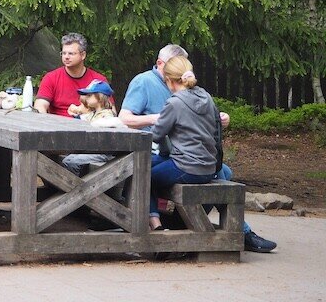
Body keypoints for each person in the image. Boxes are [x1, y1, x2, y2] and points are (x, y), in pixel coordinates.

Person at [119, 44, 277, 252]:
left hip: (182, 161)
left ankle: (174, 225)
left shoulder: (177, 100)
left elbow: (161, 134)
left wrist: (217, 120)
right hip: (191, 159)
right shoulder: (193, 93)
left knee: (143, 174)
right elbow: (125, 118)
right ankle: (184, 223)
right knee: (145, 170)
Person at [148, 56, 220, 230]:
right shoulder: (206, 97)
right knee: (151, 166)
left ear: (170, 81)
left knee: (143, 177)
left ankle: (155, 224)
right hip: (209, 166)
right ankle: (175, 223)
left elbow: (156, 136)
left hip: (188, 167)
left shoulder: (175, 103)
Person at [34, 32, 113, 117]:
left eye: (71, 53)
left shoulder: (99, 81)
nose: (66, 57)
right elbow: (40, 107)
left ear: (83, 55)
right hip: (57, 126)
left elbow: (111, 112)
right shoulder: (51, 78)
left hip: (90, 125)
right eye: (64, 53)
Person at [62, 80, 124, 176]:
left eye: (89, 96)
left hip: (103, 152)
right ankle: (71, 186)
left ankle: (75, 187)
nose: (86, 98)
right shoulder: (93, 113)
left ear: (99, 97)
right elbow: (85, 121)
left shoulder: (107, 115)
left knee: (71, 162)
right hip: (93, 150)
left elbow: (100, 126)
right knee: (67, 159)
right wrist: (76, 116)